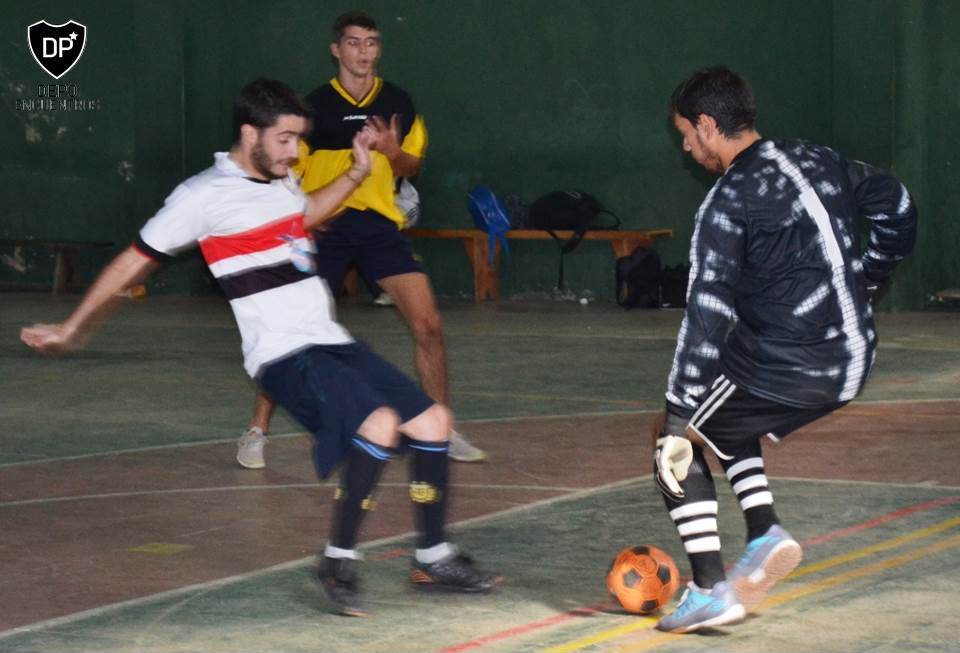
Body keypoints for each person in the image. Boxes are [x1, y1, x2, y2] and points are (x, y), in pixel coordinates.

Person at [20, 78, 500, 616]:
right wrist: (74, 328)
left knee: (433, 422)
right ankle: (338, 560)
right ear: (251, 134)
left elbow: (304, 215)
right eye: (286, 139)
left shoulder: (279, 179)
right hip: (282, 354)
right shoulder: (201, 196)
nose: (295, 152)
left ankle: (433, 557)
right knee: (380, 424)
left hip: (329, 339)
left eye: (298, 140)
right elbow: (133, 260)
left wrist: (356, 173)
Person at [651, 66, 916, 633]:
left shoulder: (726, 203)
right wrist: (869, 276)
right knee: (724, 406)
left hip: (794, 366)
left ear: (707, 124)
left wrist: (676, 414)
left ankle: (708, 590)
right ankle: (763, 531)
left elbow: (706, 314)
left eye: (687, 135)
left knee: (677, 441)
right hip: (856, 355)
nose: (687, 147)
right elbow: (897, 205)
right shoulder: (817, 158)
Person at [236, 11, 485, 469]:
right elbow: (282, 170)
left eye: (371, 43)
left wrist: (392, 150)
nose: (363, 52)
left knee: (429, 325)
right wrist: (303, 213)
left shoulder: (398, 102)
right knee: (292, 336)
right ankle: (256, 431)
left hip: (378, 228)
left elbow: (411, 167)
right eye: (354, 43)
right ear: (336, 50)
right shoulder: (311, 109)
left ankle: (441, 429)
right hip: (326, 230)